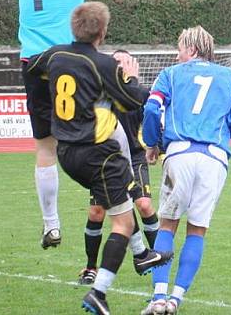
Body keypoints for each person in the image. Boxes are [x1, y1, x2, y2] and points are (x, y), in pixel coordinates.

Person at [26, 2, 172, 315]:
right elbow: (135, 100)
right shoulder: (103, 64)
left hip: (66, 153)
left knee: (122, 206)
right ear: (102, 33)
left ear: (72, 28)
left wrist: (43, 111)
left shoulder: (54, 55)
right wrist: (131, 78)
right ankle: (99, 292)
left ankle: (141, 255)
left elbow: (30, 68)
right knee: (122, 221)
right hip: (100, 153)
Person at [17, 0, 151, 249]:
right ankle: (128, 187)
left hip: (33, 63)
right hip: (69, 61)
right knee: (106, 125)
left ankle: (51, 224)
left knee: (45, 147)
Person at [141, 26, 231, 315]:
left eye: (179, 49)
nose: (177, 55)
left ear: (191, 49)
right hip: (215, 159)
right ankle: (175, 300)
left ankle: (158, 298)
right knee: (197, 231)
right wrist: (223, 135)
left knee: (167, 225)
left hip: (179, 153)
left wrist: (153, 143)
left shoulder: (171, 75)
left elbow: (152, 110)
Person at [77, 49, 162, 286]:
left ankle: (159, 258)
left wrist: (158, 147)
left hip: (134, 156)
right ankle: (90, 268)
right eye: (116, 62)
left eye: (124, 62)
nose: (120, 66)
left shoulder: (139, 91)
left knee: (144, 205)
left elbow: (147, 108)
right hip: (105, 159)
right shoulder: (104, 89)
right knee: (96, 213)